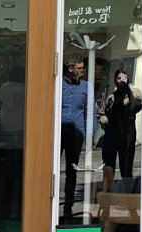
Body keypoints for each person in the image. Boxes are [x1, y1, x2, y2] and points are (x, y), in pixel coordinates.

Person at [99, 69, 142, 187]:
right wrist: (103, 119)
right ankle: (107, 196)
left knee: (126, 167)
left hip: (127, 133)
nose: (121, 81)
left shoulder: (134, 93)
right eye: (119, 78)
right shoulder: (111, 96)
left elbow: (138, 106)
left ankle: (129, 199)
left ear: (128, 79)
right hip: (111, 134)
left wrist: (128, 101)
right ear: (115, 80)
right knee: (108, 167)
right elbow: (102, 112)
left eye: (124, 78)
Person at [60, 58, 88, 220]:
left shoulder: (85, 87)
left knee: (72, 170)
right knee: (52, 170)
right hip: (59, 132)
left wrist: (89, 132)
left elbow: (90, 110)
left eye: (83, 68)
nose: (81, 71)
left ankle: (68, 207)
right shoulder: (59, 85)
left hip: (76, 134)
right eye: (79, 68)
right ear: (70, 69)